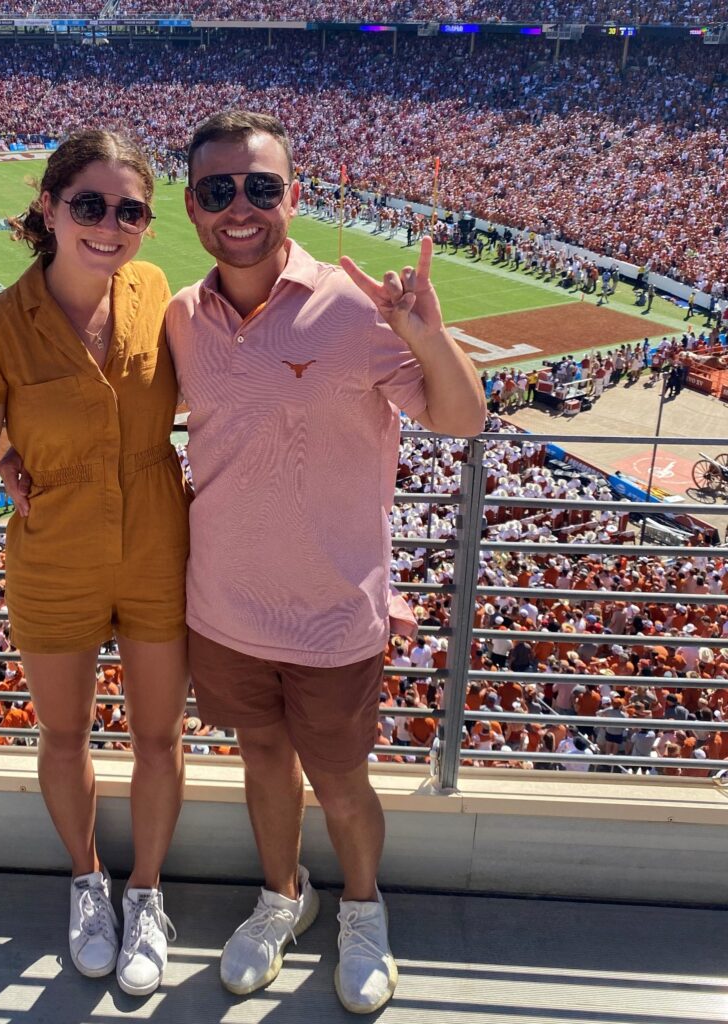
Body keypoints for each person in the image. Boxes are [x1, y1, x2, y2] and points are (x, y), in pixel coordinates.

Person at [167, 111, 484, 1014]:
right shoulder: (184, 318)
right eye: (220, 189)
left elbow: (462, 421)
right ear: (192, 205)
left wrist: (428, 331)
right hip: (223, 605)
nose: (241, 207)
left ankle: (364, 908)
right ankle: (283, 898)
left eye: (261, 187)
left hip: (335, 611)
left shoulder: (354, 306)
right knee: (262, 763)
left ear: (293, 198)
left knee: (342, 781)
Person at [0, 130, 190, 998]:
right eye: (89, 205)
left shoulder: (156, 290)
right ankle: (88, 882)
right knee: (64, 734)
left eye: (129, 210)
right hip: (54, 550)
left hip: (159, 542)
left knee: (159, 734)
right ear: (49, 208)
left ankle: (148, 894)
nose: (110, 224)